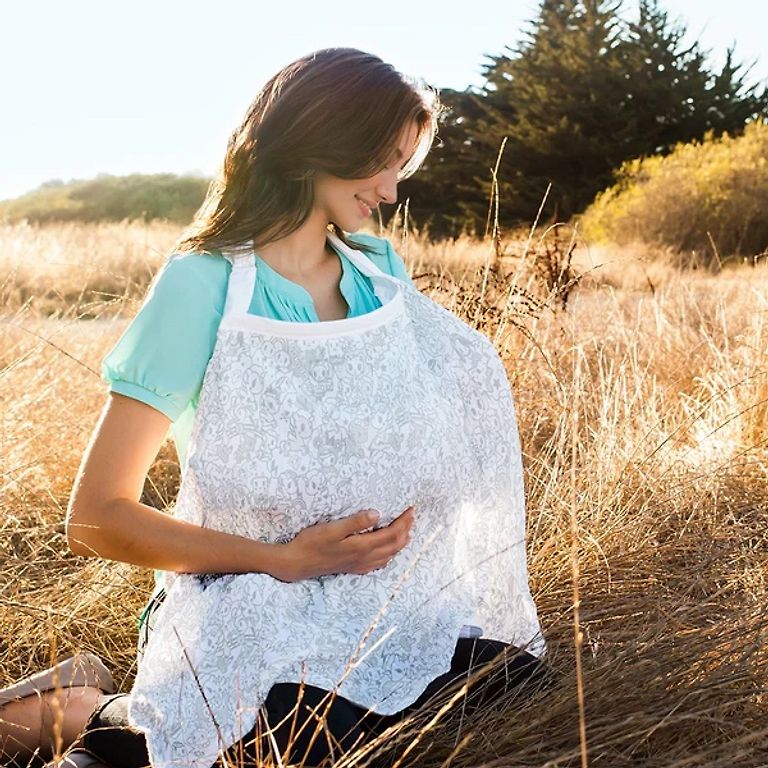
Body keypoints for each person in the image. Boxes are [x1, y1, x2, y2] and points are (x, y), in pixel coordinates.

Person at [0, 48, 551, 768]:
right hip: (243, 598)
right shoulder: (202, 285)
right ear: (321, 140)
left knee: (507, 681)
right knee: (283, 739)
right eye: (381, 162)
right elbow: (97, 516)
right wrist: (285, 561)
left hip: (377, 602)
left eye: (401, 166)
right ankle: (83, 712)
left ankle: (121, 716)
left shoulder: (379, 275)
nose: (391, 190)